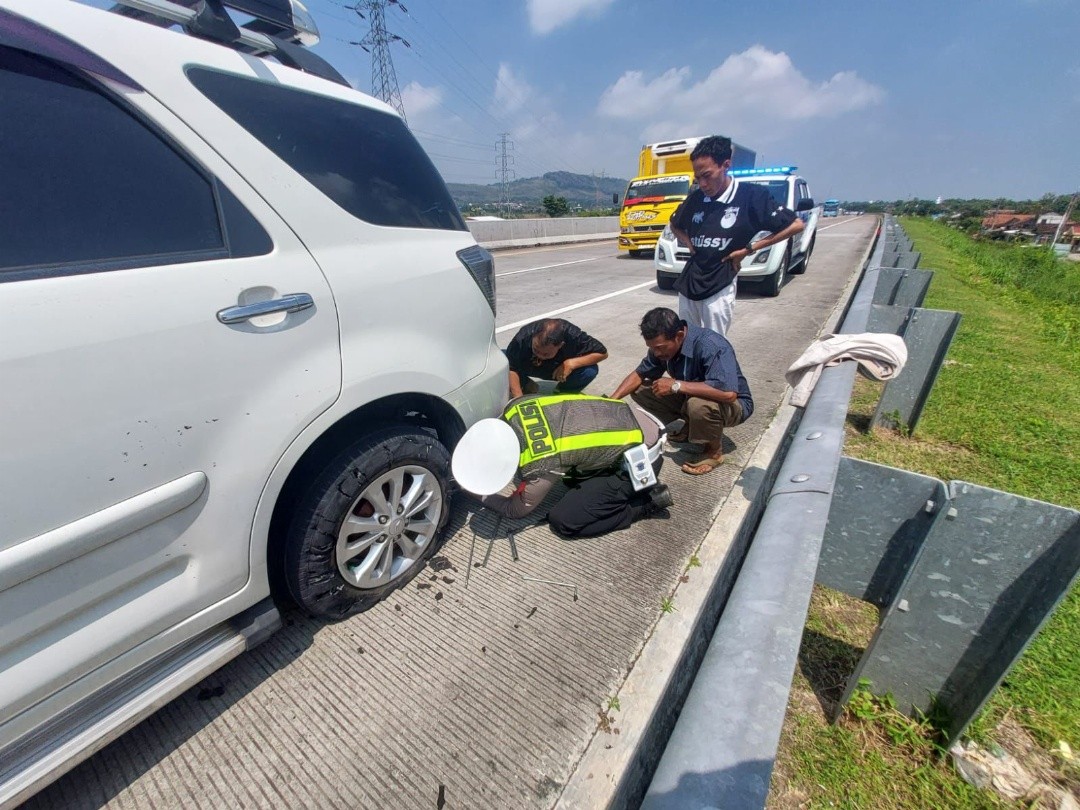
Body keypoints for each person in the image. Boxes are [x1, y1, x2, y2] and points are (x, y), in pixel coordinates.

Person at [451, 393, 674, 538]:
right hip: (629, 416)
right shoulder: (515, 406)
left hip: (640, 459)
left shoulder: (541, 465)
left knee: (565, 521)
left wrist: (472, 492)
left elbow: (515, 510)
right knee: (568, 478)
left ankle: (645, 504)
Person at [669, 135, 805, 335]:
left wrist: (749, 249)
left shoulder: (751, 196)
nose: (703, 184)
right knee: (686, 341)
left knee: (714, 343)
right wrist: (688, 243)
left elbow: (796, 225)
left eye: (707, 175)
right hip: (691, 280)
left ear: (725, 165)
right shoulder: (696, 198)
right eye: (698, 178)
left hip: (720, 282)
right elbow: (675, 224)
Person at [610, 307, 753, 476]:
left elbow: (728, 394)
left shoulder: (711, 345)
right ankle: (691, 424)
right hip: (692, 395)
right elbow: (640, 374)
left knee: (698, 405)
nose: (656, 353)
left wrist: (676, 385)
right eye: (652, 348)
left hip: (734, 405)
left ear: (678, 336)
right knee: (641, 389)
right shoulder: (662, 347)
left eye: (660, 347)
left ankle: (713, 452)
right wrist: (611, 402)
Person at [504, 318, 608, 398]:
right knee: (501, 359)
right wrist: (518, 399)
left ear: (561, 345)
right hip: (529, 365)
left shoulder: (573, 335)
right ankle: (526, 384)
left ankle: (564, 392)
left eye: (546, 354)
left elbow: (602, 353)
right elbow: (512, 367)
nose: (540, 355)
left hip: (557, 370)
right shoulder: (523, 337)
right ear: (533, 338)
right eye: (536, 350)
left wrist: (571, 363)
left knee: (589, 370)